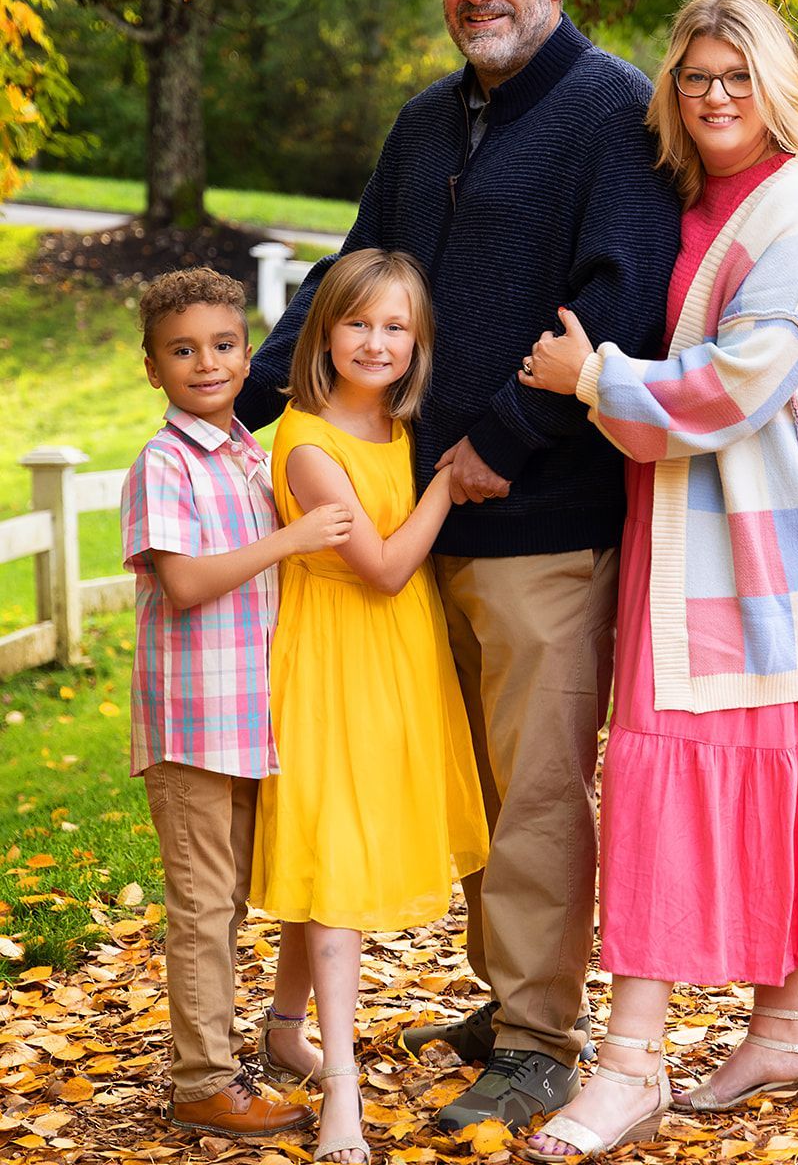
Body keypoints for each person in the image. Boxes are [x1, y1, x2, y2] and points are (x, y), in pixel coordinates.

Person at [236, 0, 680, 1131]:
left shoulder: (611, 112)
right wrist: (249, 406)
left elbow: (619, 299)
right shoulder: (426, 119)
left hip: (536, 513)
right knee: (467, 785)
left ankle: (540, 1036)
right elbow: (349, 278)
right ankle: (506, 999)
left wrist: (500, 437)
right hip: (407, 509)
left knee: (533, 786)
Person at [517, 0, 798, 1161]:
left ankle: (628, 1066)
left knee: (678, 785)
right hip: (696, 541)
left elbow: (734, 387)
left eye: (736, 75)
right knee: (740, 775)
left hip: (758, 552)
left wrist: (591, 379)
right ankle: (782, 1023)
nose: (714, 96)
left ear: (776, 84)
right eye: (693, 77)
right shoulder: (701, 198)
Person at [247, 249, 489, 1164]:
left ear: (418, 340)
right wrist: (443, 486)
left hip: (397, 662)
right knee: (336, 861)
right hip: (334, 661)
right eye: (358, 324)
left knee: (327, 858)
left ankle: (281, 1025)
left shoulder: (395, 419)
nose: (377, 341)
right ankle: (342, 1095)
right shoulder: (309, 443)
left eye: (396, 327)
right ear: (324, 333)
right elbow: (385, 570)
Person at [120, 268, 353, 1141]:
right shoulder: (166, 462)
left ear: (247, 354)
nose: (206, 363)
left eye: (222, 346)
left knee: (241, 897)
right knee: (203, 907)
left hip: (255, 722)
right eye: (182, 350)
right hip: (192, 728)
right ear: (152, 368)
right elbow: (182, 584)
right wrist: (286, 539)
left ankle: (257, 1043)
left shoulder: (252, 453)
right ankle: (203, 1082)